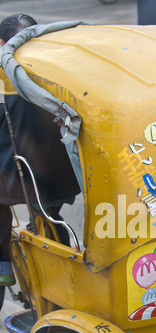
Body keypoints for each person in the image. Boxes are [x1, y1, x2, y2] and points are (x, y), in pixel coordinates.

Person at [0, 14, 81, 286]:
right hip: (58, 176)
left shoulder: (4, 74)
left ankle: (3, 265)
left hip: (16, 176)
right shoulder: (60, 69)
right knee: (50, 220)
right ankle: (62, 280)